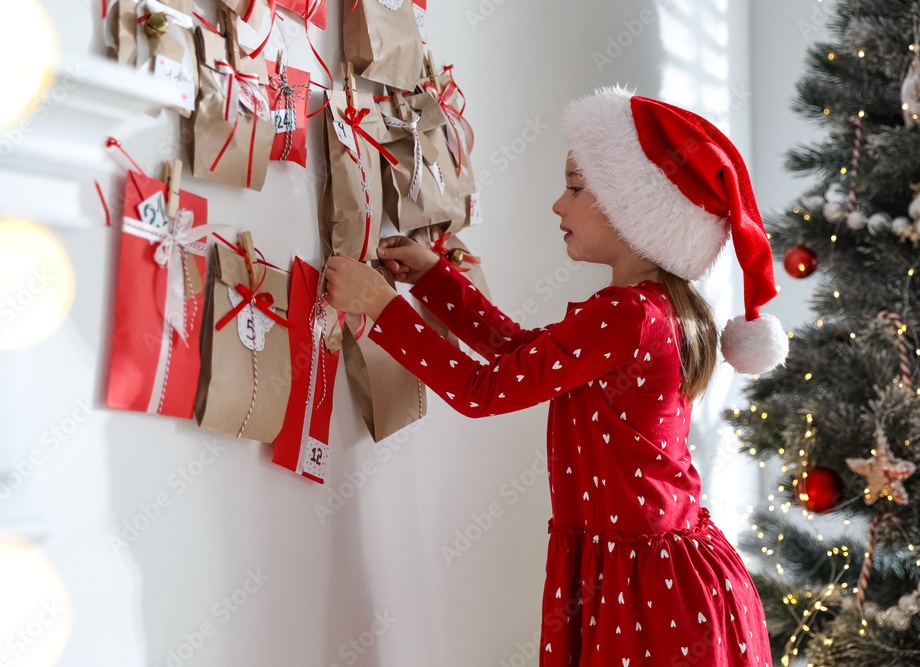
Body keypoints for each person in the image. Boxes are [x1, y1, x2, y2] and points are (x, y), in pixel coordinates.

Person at [323, 85, 788, 666]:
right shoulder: (653, 309)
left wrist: (383, 308)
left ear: (632, 209)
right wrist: (438, 284)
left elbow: (484, 391)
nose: (557, 205)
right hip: (660, 572)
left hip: (649, 591)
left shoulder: (627, 315)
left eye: (574, 187)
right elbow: (527, 357)